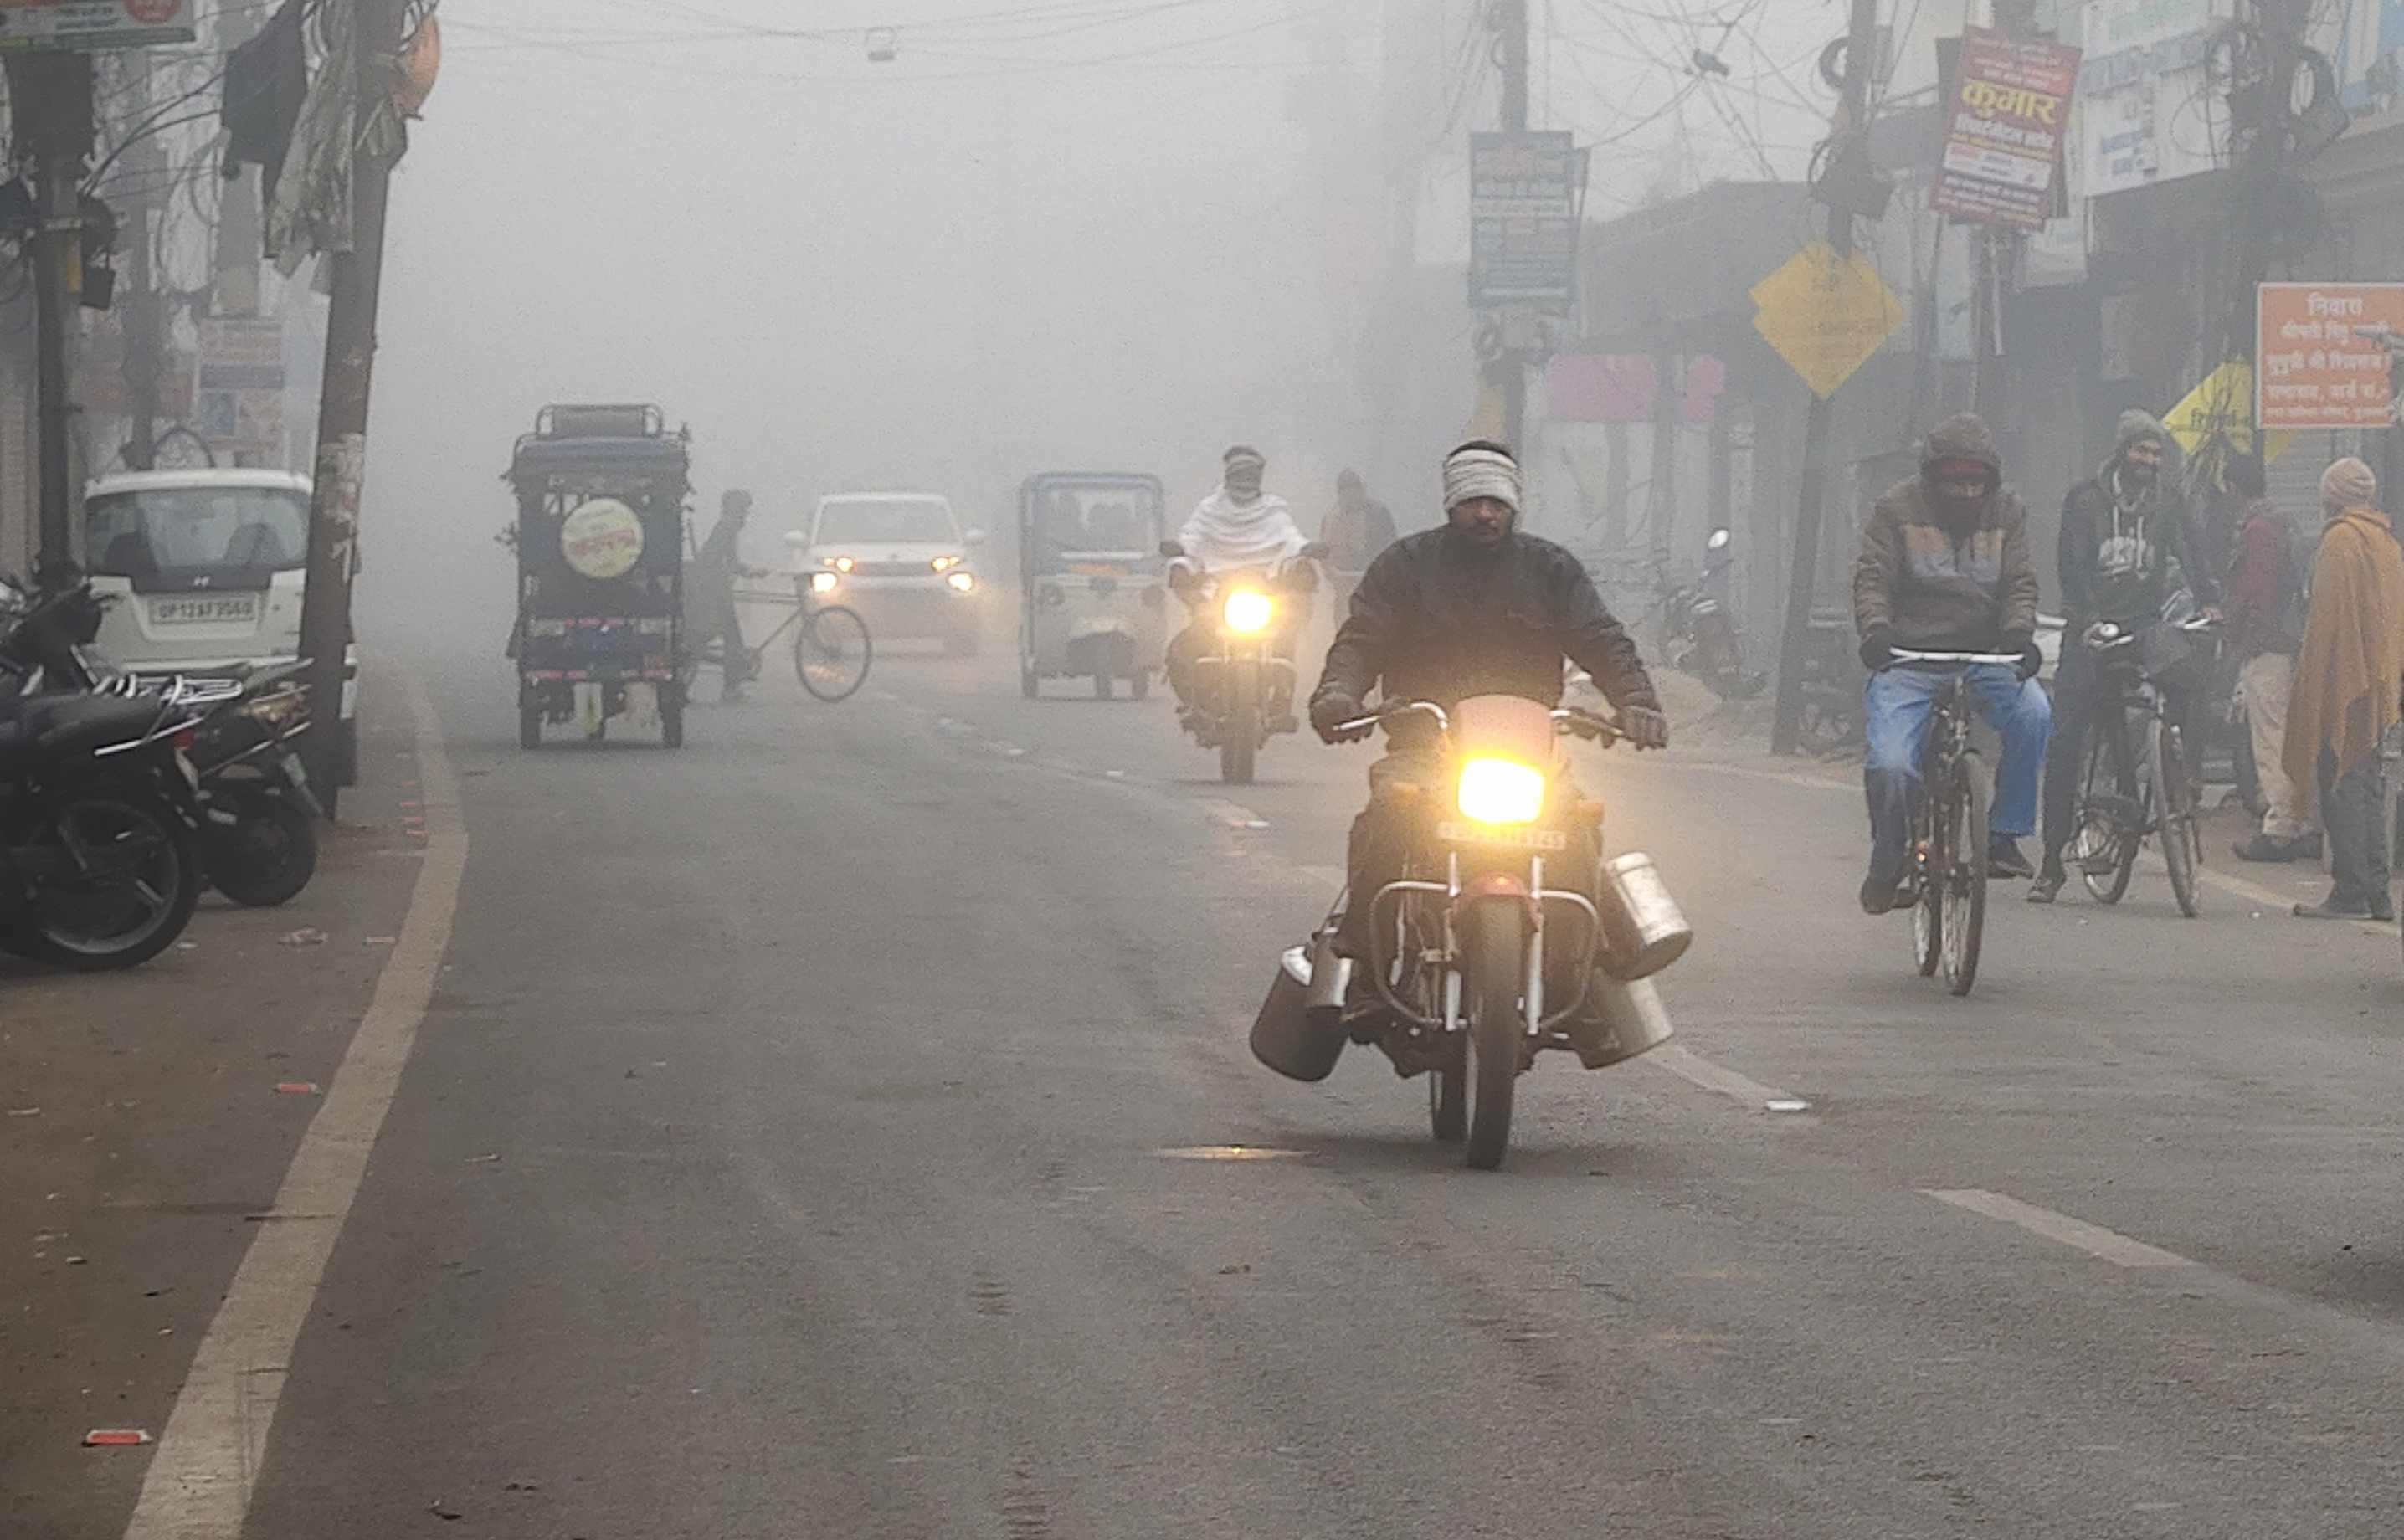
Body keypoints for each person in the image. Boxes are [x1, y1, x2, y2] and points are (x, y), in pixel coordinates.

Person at [1307, 440, 1669, 971]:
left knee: (1577, 827)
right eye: (1472, 502)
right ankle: (1365, 960)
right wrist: (1339, 693)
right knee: (1387, 816)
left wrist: (1637, 701)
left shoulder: (1550, 569)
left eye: (1496, 503)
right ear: (1450, 504)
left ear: (1513, 508)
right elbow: (1362, 640)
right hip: (1425, 747)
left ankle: (1582, 965)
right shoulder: (1405, 566)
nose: (1484, 513)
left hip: (1529, 752)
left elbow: (1601, 639)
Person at [1852, 413, 2052, 912]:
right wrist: (1876, 631)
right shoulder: (1895, 509)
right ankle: (1888, 858)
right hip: (1909, 656)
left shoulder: (2009, 512)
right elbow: (1873, 579)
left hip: (1986, 653)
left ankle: (2004, 833)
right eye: (1954, 482)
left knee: (2035, 713)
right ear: (1931, 479)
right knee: (1892, 765)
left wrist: (2019, 633)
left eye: (1975, 483)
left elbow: (2019, 583)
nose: (1966, 493)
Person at [2030, 409, 2219, 902]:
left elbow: (2192, 552)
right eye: (2141, 450)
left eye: (2156, 453)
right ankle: (2051, 862)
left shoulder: (2169, 501)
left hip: (2143, 626)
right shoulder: (2085, 499)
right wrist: (2089, 620)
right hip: (2090, 630)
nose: (2149, 461)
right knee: (2067, 741)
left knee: (2188, 679)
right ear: (2122, 452)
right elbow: (2072, 567)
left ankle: (2177, 781)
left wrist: (2209, 599)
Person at [2283, 458, 2404, 921]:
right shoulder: (2385, 541)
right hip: (2378, 680)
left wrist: (2312, 684)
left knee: (2341, 782)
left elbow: (2326, 624)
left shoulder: (2340, 541)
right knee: (2369, 785)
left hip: (2343, 680)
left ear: (2330, 496)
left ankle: (2351, 891)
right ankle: (2378, 892)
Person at [2223, 458, 2319, 862]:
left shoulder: (2258, 531)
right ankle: (2304, 822)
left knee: (2271, 739)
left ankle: (2280, 829)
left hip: (2268, 649)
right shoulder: (2281, 524)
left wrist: (2249, 636)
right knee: (2292, 735)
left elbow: (2258, 593)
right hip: (2287, 644)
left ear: (2233, 487)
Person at [1165, 446, 1310, 707]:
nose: (1246, 481)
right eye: (1240, 475)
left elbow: (1290, 538)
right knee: (1190, 644)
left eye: (1251, 476)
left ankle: (1281, 698)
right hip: (1215, 589)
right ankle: (1198, 700)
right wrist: (1180, 550)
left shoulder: (1273, 509)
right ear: (1229, 477)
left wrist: (1306, 550)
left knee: (1285, 636)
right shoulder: (1210, 509)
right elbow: (1192, 536)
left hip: (1265, 590)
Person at [688, 489, 762, 701]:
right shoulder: (727, 526)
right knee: (729, 637)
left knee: (725, 635)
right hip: (713, 588)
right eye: (745, 509)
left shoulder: (725, 526)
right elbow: (726, 560)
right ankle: (731, 687)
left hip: (714, 586)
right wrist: (748, 571)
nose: (746, 514)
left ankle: (731, 684)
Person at [1319, 469, 1398, 573]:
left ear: (1361, 489)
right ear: (1340, 493)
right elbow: (1325, 549)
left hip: (1372, 573)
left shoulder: (1379, 514)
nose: (1350, 493)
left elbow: (1390, 544)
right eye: (1345, 490)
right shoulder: (1331, 519)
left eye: (1354, 488)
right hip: (1337, 575)